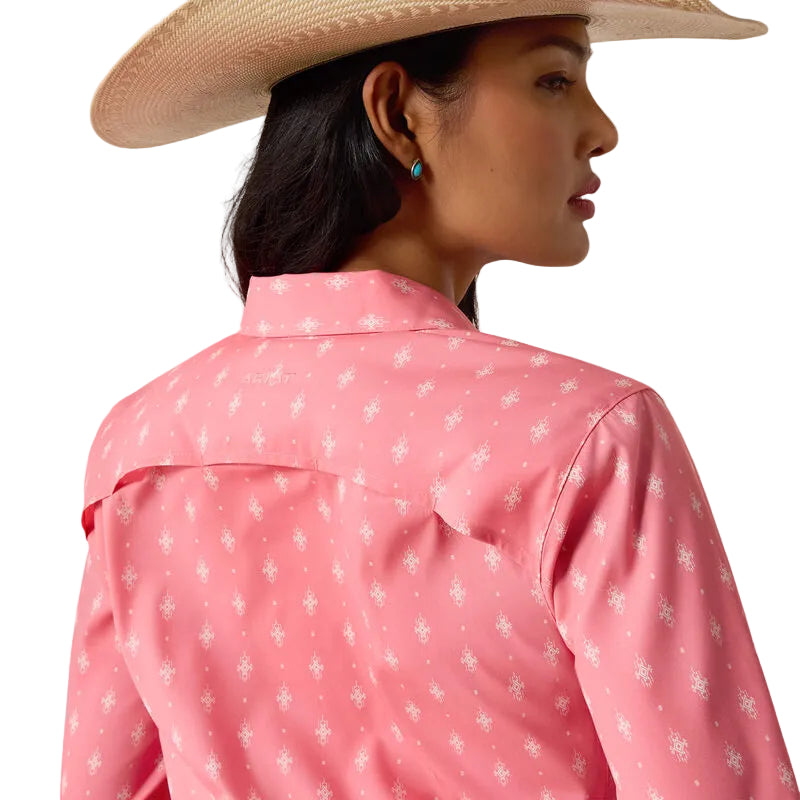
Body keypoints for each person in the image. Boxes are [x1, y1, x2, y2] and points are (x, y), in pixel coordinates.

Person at [61, 1, 797, 798]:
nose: (602, 129)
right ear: (397, 115)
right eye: (555, 79)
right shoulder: (589, 437)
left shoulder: (138, 447)